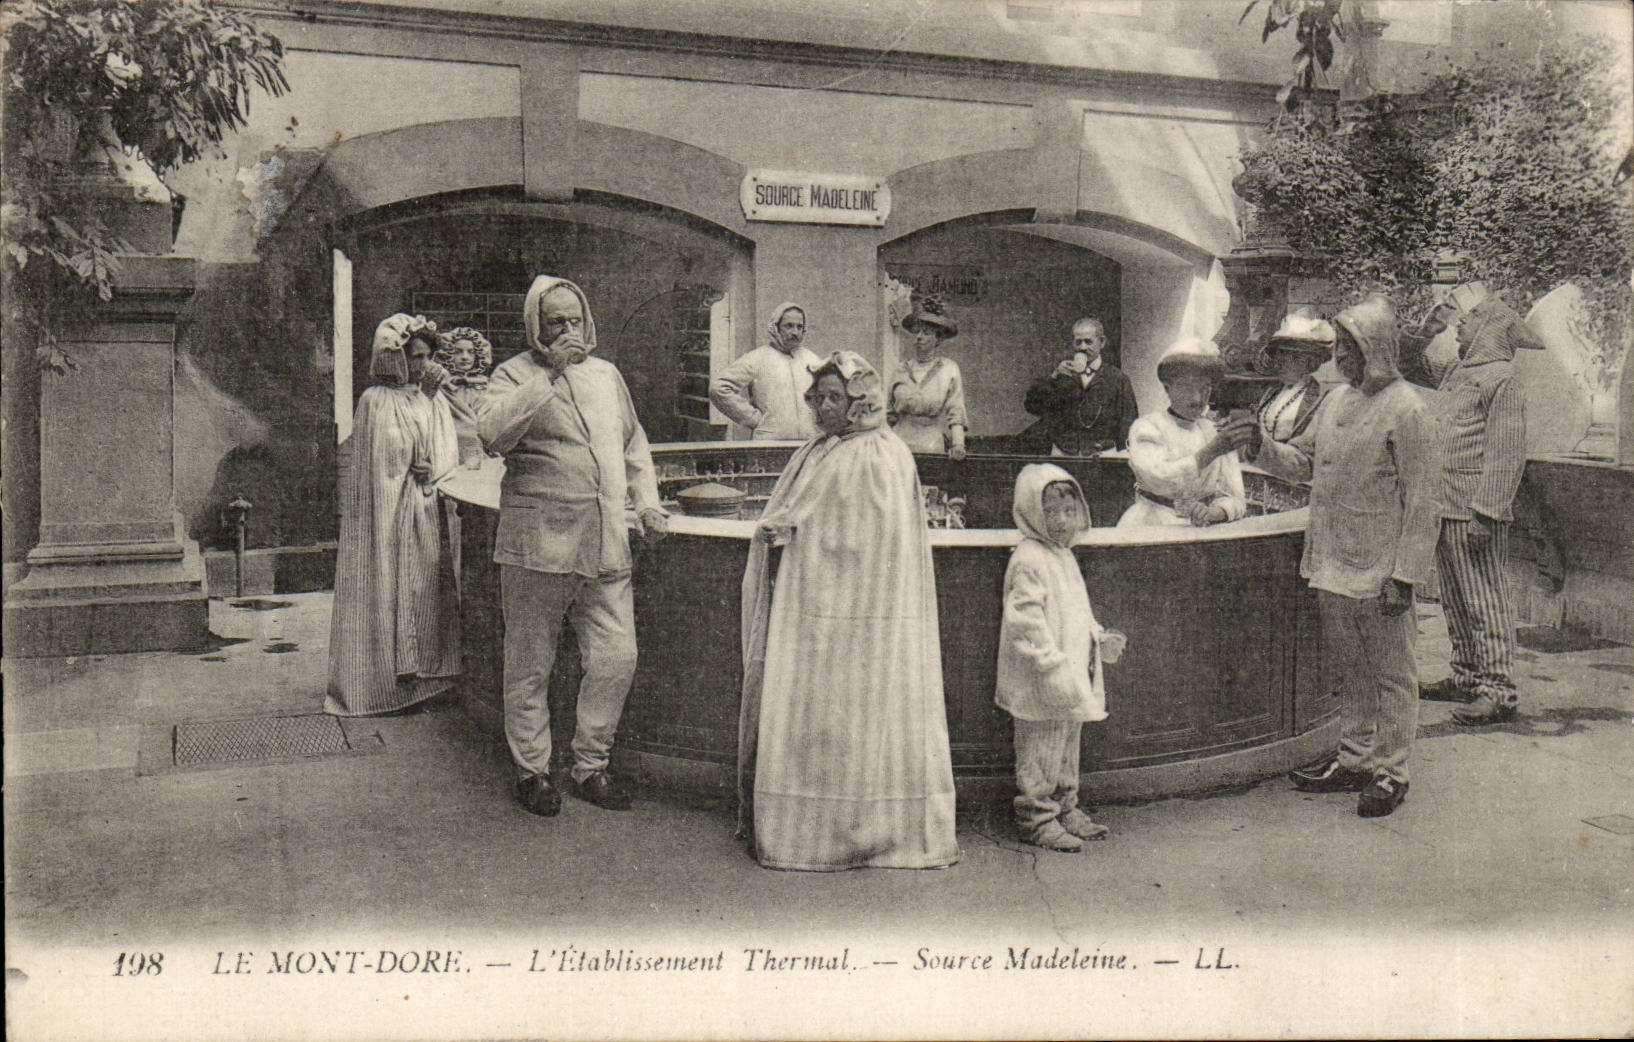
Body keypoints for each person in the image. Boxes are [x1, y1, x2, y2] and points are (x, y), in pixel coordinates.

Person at [738, 350, 959, 871]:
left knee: (863, 712)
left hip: (866, 614)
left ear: (860, 400)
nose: (822, 408)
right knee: (818, 714)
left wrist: (804, 530)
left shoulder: (883, 454)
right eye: (818, 398)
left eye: (834, 398)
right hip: (814, 606)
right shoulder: (819, 449)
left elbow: (872, 540)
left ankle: (867, 829)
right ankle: (809, 830)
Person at [1230, 294, 1441, 817]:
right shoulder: (1337, 402)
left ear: (1377, 348)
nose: (1339, 356)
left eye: (1349, 347)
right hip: (1331, 560)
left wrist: (1405, 577)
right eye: (1340, 347)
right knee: (1350, 669)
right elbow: (1303, 466)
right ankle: (1354, 757)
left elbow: (1424, 502)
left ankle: (1391, 772)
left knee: (1393, 673)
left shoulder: (1408, 409)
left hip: (1381, 568)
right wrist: (1260, 446)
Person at [477, 275, 669, 817]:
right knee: (530, 663)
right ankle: (533, 772)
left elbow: (633, 442)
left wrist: (647, 502)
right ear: (535, 327)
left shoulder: (607, 375)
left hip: (606, 541)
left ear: (588, 322)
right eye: (555, 322)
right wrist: (550, 374)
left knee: (617, 657)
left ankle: (590, 765)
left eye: (574, 320)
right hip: (539, 544)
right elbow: (490, 436)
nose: (567, 330)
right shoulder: (514, 374)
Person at [1408, 285, 1542, 724]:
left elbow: (1507, 453)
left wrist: (1486, 513)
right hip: (1445, 503)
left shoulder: (1502, 379)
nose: (1460, 322)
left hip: (1474, 511)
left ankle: (1498, 690)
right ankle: (1466, 676)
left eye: (1471, 318)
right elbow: (1405, 363)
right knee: (1455, 598)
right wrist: (1428, 328)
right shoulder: (1458, 371)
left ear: (1491, 328)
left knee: (1485, 599)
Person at [326, 314, 462, 716]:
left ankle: (428, 675)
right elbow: (386, 458)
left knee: (426, 587)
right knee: (388, 584)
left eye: (426, 356)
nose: (422, 365)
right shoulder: (375, 401)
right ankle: (382, 683)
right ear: (395, 358)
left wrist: (432, 466)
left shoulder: (430, 397)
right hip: (387, 513)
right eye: (415, 357)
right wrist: (412, 459)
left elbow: (446, 448)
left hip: (422, 508)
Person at [996, 464, 1128, 852]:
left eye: (1070, 511)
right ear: (1031, 512)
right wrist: (1050, 663)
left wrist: (1098, 635)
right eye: (1051, 511)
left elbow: (1077, 610)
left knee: (1068, 744)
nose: (1062, 521)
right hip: (1041, 676)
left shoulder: (1063, 556)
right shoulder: (1029, 559)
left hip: (1068, 673)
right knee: (1040, 749)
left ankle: (1065, 806)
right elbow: (1025, 623)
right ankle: (1036, 818)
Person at [1116, 338, 1246, 528]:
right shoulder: (1147, 428)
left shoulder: (1214, 432)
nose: (1197, 399)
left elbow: (1236, 498)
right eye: (1187, 388)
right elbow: (1158, 479)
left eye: (1205, 389)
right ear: (1167, 389)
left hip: (1202, 529)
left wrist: (1213, 513)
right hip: (1152, 525)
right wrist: (1210, 452)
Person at [1022, 317, 1138, 455]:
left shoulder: (1117, 379)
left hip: (1102, 455)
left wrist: (1124, 455)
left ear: (1102, 342)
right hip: (1064, 454)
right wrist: (1053, 377)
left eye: (1088, 342)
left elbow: (1129, 422)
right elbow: (1033, 407)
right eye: (1078, 342)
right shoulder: (1062, 375)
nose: (1082, 347)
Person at [709, 302, 822, 440]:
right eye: (789, 326)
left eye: (799, 327)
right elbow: (719, 389)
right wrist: (755, 420)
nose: (795, 332)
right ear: (775, 327)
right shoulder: (758, 358)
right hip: (769, 443)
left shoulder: (812, 360)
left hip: (808, 443)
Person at [888, 296, 968, 459]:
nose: (919, 336)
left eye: (926, 333)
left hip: (930, 445)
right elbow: (888, 414)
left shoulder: (948, 369)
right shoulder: (901, 369)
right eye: (917, 331)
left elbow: (956, 411)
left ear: (938, 339)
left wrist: (958, 445)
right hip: (898, 445)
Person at [1254, 308, 1337, 446]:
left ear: (1308, 361)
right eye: (1279, 354)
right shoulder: (1272, 392)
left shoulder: (1319, 397)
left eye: (1290, 356)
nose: (1279, 361)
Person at [434, 325, 493, 468]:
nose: (465, 357)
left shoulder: (486, 386)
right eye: (458, 352)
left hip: (481, 448)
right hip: (449, 447)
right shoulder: (442, 386)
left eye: (471, 352)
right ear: (448, 354)